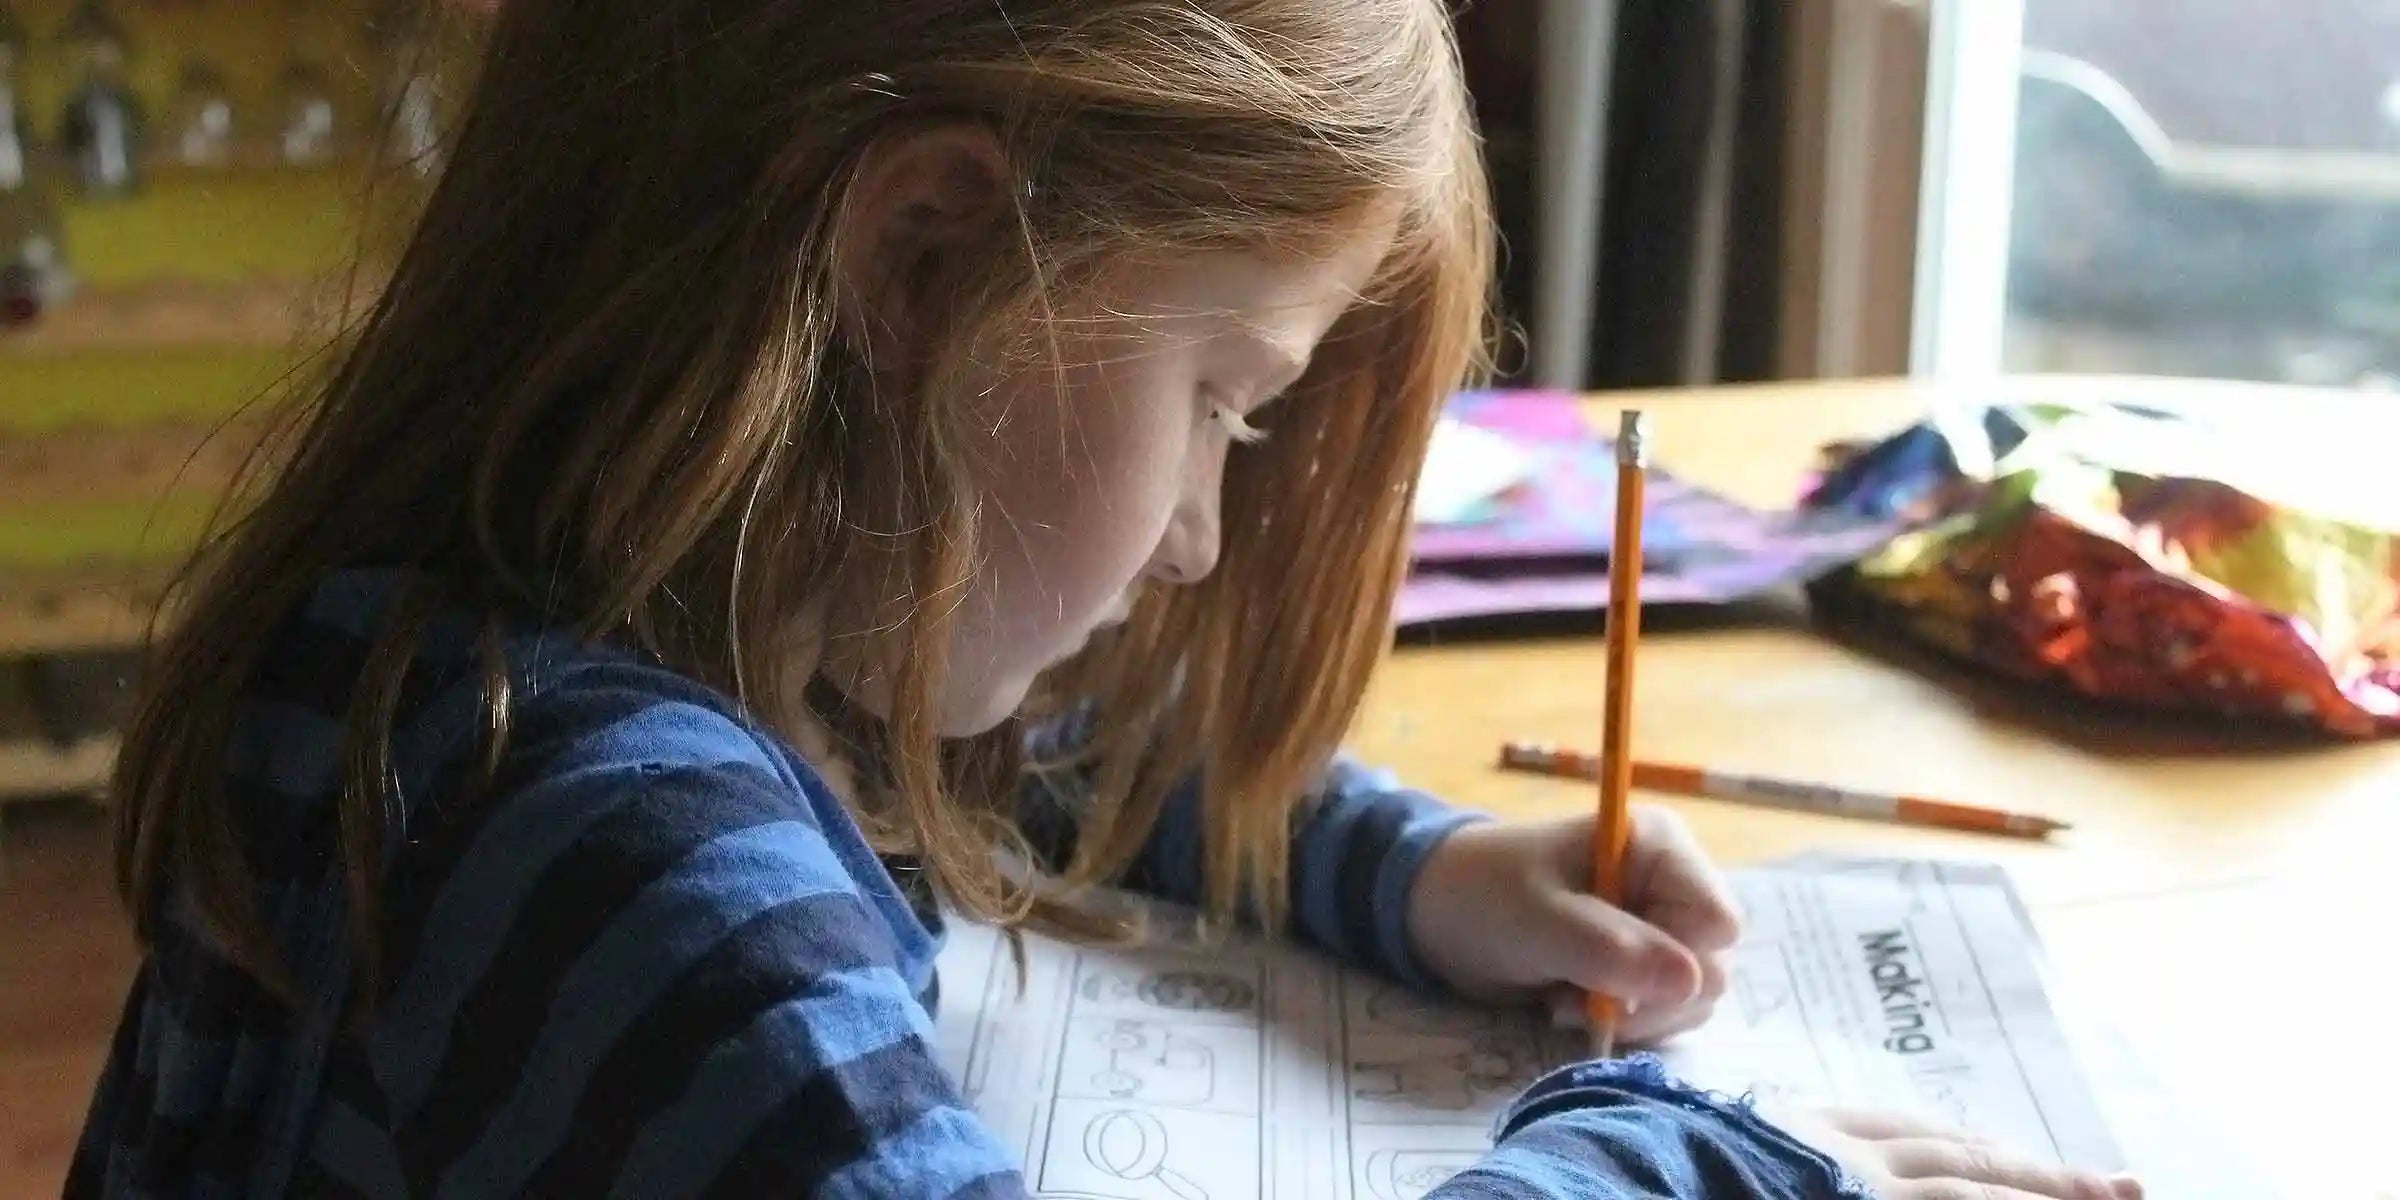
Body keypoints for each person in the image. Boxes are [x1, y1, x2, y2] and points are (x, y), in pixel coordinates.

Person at [70, 2, 2141, 1197]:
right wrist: (1704, 1149)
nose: (1202, 542)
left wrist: (1407, 873)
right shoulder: (611, 852)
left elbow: (1010, 750)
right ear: (919, 263)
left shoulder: (514, 634)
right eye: (1227, 402)